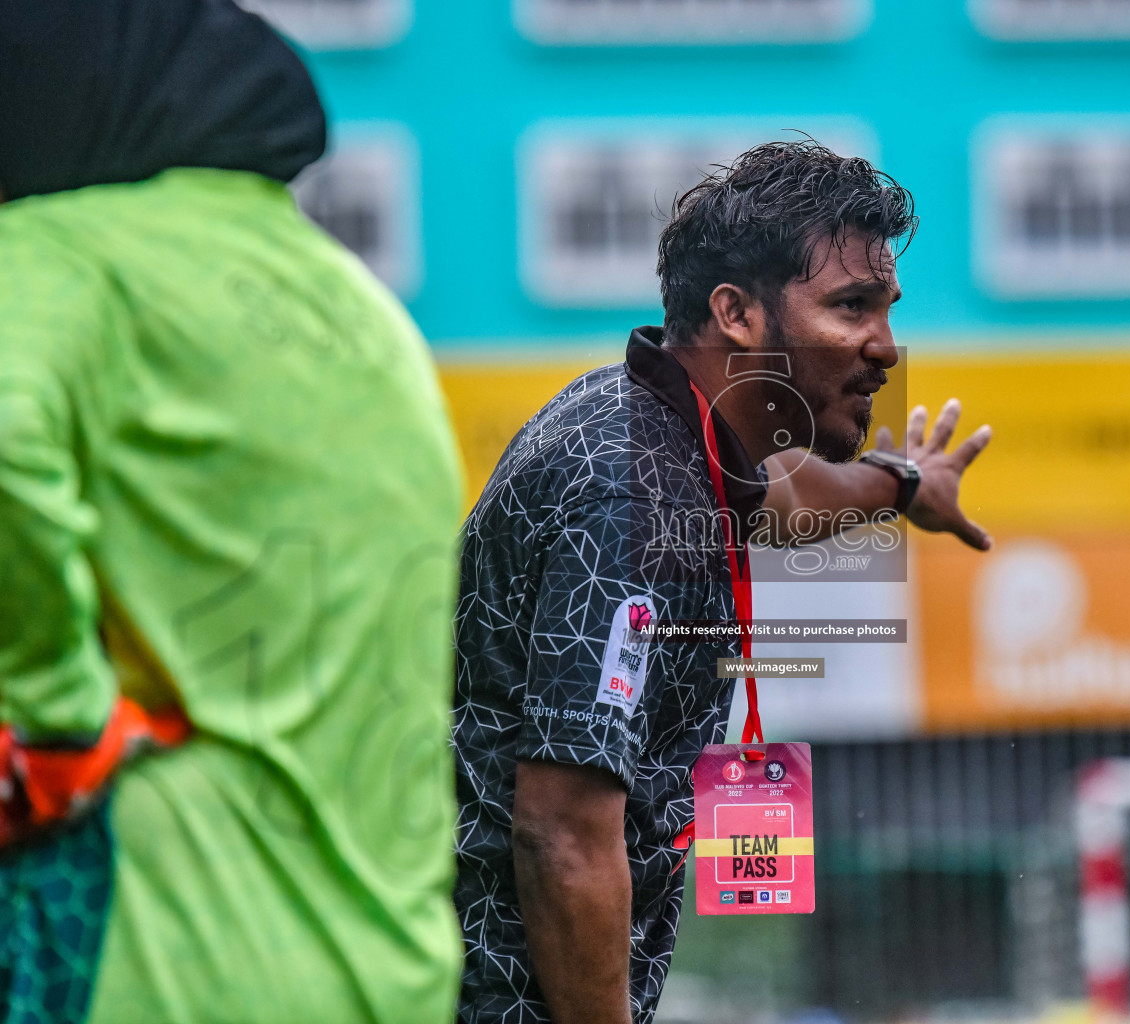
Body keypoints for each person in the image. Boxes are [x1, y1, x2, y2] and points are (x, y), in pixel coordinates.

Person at [453, 139, 993, 1024]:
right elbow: (561, 836)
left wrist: (902, 487)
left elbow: (786, 498)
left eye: (888, 310)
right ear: (737, 314)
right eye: (851, 307)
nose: (886, 348)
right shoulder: (630, 491)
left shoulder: (670, 433)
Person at [0, 1, 463, 1021]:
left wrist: (56, 709)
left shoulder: (57, 255)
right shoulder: (364, 309)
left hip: (155, 954)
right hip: (393, 967)